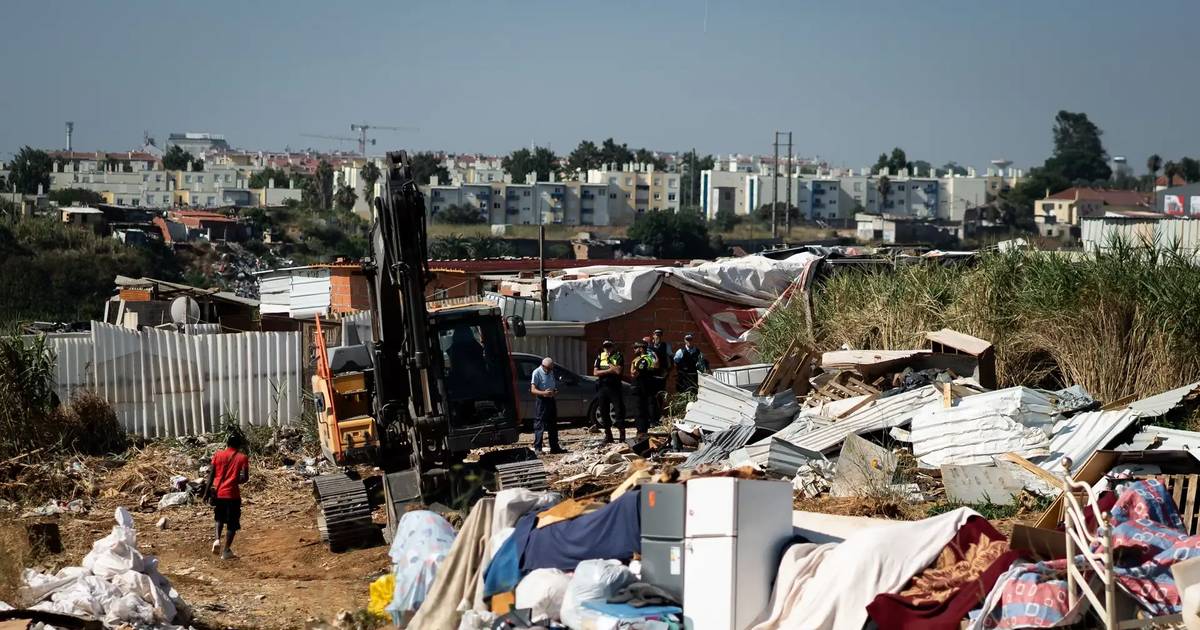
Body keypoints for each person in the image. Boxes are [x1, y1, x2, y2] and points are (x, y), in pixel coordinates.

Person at [206, 431, 250, 560]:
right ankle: (226, 551)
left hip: (219, 493)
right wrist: (236, 480)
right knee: (232, 524)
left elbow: (211, 475)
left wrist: (206, 493)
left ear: (227, 443)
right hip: (233, 495)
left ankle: (217, 539)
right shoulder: (242, 458)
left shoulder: (218, 454)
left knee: (219, 518)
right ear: (239, 445)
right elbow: (245, 478)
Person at [592, 340, 626, 443]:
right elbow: (595, 372)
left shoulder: (618, 356)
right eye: (605, 347)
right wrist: (609, 371)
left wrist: (610, 367)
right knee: (603, 411)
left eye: (609, 347)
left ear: (613, 347)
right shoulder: (600, 356)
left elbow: (618, 371)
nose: (607, 349)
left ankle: (622, 435)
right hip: (603, 387)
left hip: (614, 387)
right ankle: (608, 435)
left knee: (619, 410)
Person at [530, 357, 565, 454]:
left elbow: (552, 384)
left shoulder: (550, 372)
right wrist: (543, 393)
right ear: (543, 366)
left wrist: (554, 391)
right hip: (542, 400)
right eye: (548, 369)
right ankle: (538, 448)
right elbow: (533, 390)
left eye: (551, 369)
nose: (550, 370)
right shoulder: (536, 373)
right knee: (539, 424)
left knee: (553, 424)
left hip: (551, 399)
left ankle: (554, 447)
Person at [630, 339, 662, 440]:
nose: (634, 350)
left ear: (641, 349)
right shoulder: (646, 358)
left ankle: (641, 431)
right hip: (643, 388)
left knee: (639, 410)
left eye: (636, 347)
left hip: (641, 388)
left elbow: (634, 373)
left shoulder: (643, 360)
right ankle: (643, 430)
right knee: (643, 410)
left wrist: (633, 367)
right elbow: (656, 365)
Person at [648, 329, 671, 425]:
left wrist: (668, 371)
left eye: (660, 335)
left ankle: (658, 416)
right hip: (652, 374)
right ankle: (652, 417)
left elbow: (670, 358)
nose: (658, 337)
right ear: (653, 335)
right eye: (656, 335)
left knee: (660, 395)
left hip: (662, 374)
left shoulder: (666, 346)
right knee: (651, 396)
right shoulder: (649, 346)